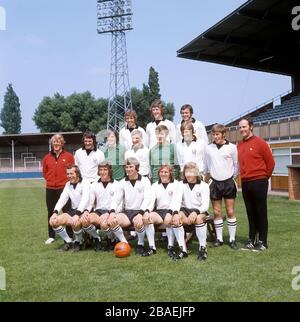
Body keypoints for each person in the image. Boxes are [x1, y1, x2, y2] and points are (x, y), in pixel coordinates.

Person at [238, 117, 275, 251]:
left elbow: (270, 163)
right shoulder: (240, 145)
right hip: (246, 183)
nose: (242, 129)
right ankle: (251, 239)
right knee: (250, 211)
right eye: (240, 127)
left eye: (244, 127)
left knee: (260, 211)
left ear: (251, 127)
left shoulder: (260, 143)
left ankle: (263, 241)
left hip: (259, 181)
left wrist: (264, 178)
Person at [203, 124, 239, 249]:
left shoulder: (232, 147)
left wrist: (231, 178)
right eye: (213, 134)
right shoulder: (208, 148)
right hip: (215, 183)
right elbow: (206, 166)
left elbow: (236, 165)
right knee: (217, 212)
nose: (215, 136)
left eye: (217, 134)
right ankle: (219, 239)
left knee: (230, 211)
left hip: (228, 182)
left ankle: (232, 239)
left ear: (224, 134)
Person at [107, 157, 152, 255]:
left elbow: (147, 199)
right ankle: (125, 243)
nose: (128, 169)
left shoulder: (145, 180)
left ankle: (140, 244)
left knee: (138, 222)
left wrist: (141, 213)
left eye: (131, 167)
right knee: (113, 221)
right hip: (127, 212)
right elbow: (116, 199)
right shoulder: (122, 182)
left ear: (136, 167)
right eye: (126, 167)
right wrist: (111, 212)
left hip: (140, 211)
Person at [143, 165, 185, 258]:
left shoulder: (177, 184)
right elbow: (151, 201)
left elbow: (176, 201)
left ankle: (170, 247)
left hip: (173, 210)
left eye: (166, 172)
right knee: (148, 218)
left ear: (170, 173)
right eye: (161, 172)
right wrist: (146, 211)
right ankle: (152, 247)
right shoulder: (154, 185)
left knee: (170, 220)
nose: (163, 174)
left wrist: (172, 213)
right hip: (160, 211)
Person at [80, 161, 121, 251]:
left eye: (105, 169)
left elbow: (118, 203)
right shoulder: (94, 184)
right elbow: (90, 203)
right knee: (84, 220)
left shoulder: (117, 184)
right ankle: (97, 238)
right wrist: (86, 211)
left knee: (104, 224)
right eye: (100, 170)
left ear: (110, 170)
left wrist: (110, 213)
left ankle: (112, 240)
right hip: (98, 211)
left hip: (111, 211)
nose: (102, 172)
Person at [173, 162, 210, 261]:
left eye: (191, 172)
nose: (189, 174)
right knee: (176, 218)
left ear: (197, 173)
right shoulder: (180, 184)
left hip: (200, 211)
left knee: (198, 219)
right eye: (187, 172)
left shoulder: (204, 185)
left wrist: (196, 212)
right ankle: (182, 249)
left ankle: (203, 248)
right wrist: (175, 213)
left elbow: (205, 205)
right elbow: (176, 201)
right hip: (185, 211)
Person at [49, 165, 91, 252]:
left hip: (84, 211)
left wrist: (77, 214)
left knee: (75, 223)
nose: (69, 176)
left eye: (71, 173)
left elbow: (85, 200)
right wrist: (55, 212)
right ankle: (68, 241)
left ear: (78, 173)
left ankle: (79, 242)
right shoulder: (68, 184)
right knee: (53, 221)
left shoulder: (85, 182)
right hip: (73, 210)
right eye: (68, 174)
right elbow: (62, 199)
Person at [42, 134, 75, 245]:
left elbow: (72, 171)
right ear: (52, 144)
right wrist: (51, 181)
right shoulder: (47, 157)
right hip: (50, 189)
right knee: (51, 212)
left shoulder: (69, 156)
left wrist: (64, 182)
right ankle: (51, 236)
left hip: (65, 188)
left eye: (58, 142)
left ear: (62, 143)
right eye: (54, 142)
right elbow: (45, 172)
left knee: (67, 212)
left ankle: (70, 235)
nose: (56, 144)